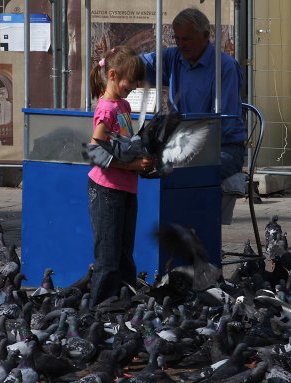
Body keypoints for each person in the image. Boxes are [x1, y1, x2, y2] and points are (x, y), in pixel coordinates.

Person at [140, 7, 247, 181]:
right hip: (180, 142)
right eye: (178, 38)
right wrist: (116, 61)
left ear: (206, 36)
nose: (181, 44)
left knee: (184, 174)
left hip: (222, 147)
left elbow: (224, 124)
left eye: (187, 39)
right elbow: (138, 64)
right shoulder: (174, 57)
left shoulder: (225, 67)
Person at [87, 46, 155, 308]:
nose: (136, 86)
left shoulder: (123, 105)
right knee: (108, 255)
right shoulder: (107, 110)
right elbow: (95, 151)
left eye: (139, 81)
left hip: (125, 188)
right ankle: (99, 309)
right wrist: (133, 166)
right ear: (113, 75)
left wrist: (144, 160)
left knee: (125, 252)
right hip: (106, 190)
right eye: (132, 81)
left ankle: (125, 303)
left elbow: (123, 146)